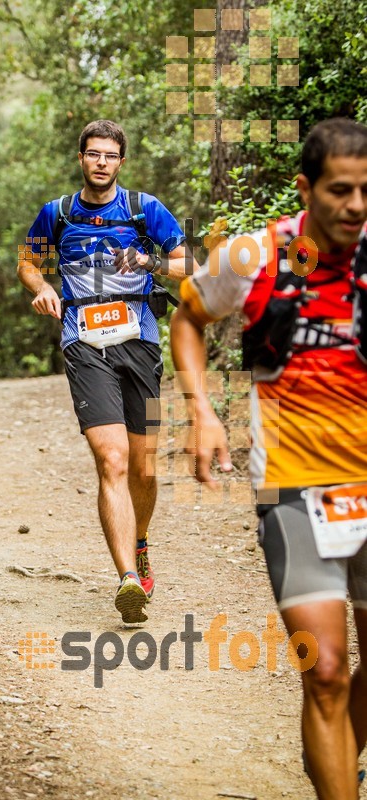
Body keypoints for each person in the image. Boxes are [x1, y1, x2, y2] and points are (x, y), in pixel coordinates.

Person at [170, 117, 367, 798]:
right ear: (303, 188)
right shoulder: (253, 256)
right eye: (339, 191)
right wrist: (202, 412)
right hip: (292, 486)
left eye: (366, 192)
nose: (355, 207)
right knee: (325, 672)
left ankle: (340, 755)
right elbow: (188, 317)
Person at [18, 119, 194, 624]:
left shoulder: (144, 209)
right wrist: (41, 286)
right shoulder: (57, 213)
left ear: (120, 161)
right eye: (93, 154)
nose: (100, 162)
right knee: (112, 459)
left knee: (144, 466)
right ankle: (127, 580)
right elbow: (27, 263)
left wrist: (149, 261)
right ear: (81, 158)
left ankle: (139, 543)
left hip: (140, 340)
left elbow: (189, 265)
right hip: (83, 342)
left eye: (109, 156)